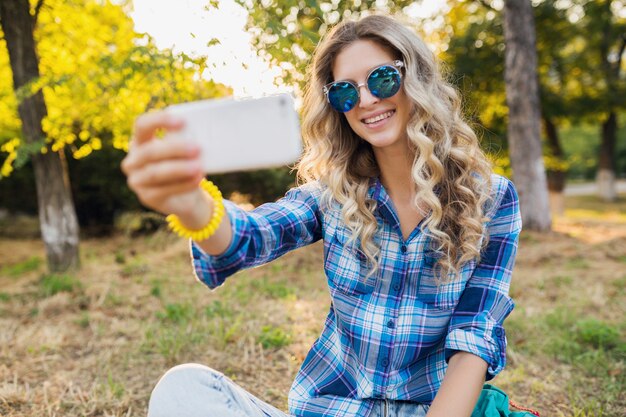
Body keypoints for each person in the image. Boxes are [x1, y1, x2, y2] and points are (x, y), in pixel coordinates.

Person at [121, 14, 522, 417]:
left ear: (415, 76)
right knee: (185, 388)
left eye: (382, 79)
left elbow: (473, 340)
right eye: (345, 92)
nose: (365, 100)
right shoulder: (331, 196)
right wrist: (193, 205)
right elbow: (250, 236)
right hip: (330, 409)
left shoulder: (491, 199)